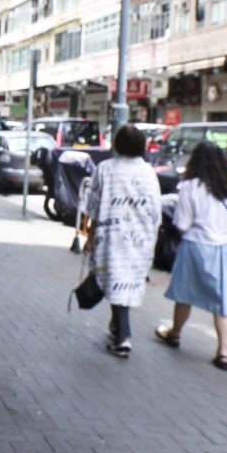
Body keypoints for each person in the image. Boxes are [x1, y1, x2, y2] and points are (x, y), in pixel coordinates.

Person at [154, 141, 227, 371]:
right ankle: (222, 352)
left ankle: (175, 334)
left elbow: (182, 223)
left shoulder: (190, 187)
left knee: (185, 295)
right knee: (224, 302)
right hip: (226, 249)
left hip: (195, 247)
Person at [84, 125, 162, 358]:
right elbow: (155, 210)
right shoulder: (149, 172)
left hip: (110, 236)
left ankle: (123, 338)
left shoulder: (105, 169)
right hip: (141, 237)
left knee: (114, 279)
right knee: (123, 281)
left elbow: (94, 207)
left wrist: (89, 235)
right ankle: (117, 326)